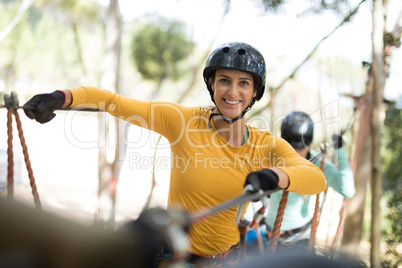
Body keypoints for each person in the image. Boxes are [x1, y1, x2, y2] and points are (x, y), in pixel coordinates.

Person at [23, 42, 326, 267]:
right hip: (173, 256)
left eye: (243, 83)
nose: (233, 92)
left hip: (225, 260)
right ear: (211, 84)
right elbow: (112, 101)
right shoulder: (182, 121)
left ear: (255, 93)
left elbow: (315, 179)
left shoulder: (266, 146)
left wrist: (275, 175)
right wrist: (61, 98)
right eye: (224, 80)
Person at [261, 111, 356, 252]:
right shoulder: (269, 157)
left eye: (299, 149)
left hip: (298, 240)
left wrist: (339, 150)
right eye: (291, 148)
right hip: (268, 236)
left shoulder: (318, 164)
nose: (295, 154)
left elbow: (347, 190)